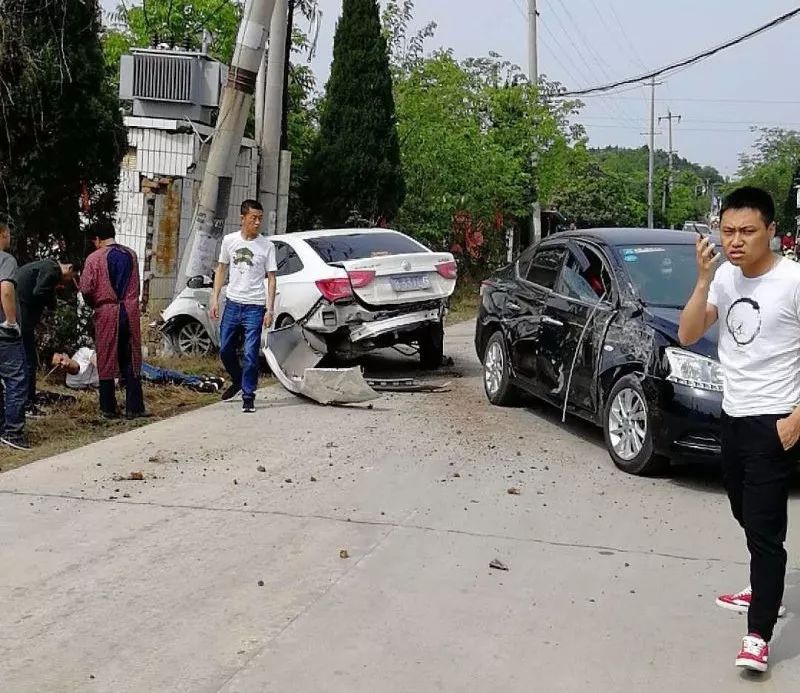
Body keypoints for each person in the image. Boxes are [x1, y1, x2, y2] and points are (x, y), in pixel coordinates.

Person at [678, 186, 798, 674]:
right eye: (727, 231)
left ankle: (758, 633)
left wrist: (798, 416)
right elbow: (688, 334)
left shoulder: (793, 281)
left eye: (748, 231)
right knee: (741, 505)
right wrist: (704, 280)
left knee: (767, 533)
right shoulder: (724, 279)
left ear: (772, 230)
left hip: (776, 421)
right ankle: (762, 579)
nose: (736, 240)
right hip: (733, 416)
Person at [209, 199, 277, 413]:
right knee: (225, 349)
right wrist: (214, 297)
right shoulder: (230, 241)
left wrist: (270, 308)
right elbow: (221, 269)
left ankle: (249, 395)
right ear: (242, 218)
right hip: (232, 303)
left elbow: (272, 278)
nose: (257, 223)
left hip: (255, 306)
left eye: (260, 219)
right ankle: (238, 380)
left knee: (250, 353)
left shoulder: (267, 246)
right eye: (253, 218)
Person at [79, 220, 147, 420]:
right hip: (130, 310)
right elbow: (137, 286)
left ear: (97, 239)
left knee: (106, 357)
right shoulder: (131, 254)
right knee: (131, 358)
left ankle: (108, 408)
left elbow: (86, 288)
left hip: (107, 311)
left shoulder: (94, 258)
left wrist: (94, 304)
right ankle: (135, 407)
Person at [16, 258, 76, 415]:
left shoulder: (47, 265)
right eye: (73, 277)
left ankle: (26, 400)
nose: (69, 282)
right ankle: (27, 404)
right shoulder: (53, 270)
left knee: (25, 360)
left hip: (19, 314)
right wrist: (52, 303)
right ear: (69, 267)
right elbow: (39, 291)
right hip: (22, 318)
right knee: (29, 362)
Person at [50, 348, 224, 393]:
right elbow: (90, 388)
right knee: (161, 383)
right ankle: (199, 383)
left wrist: (112, 377)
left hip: (122, 368)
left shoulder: (81, 353)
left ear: (65, 355)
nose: (63, 364)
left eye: (61, 360)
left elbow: (101, 364)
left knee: (158, 375)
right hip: (121, 384)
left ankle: (199, 381)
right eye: (59, 365)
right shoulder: (70, 382)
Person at [0, 222, 30, 450]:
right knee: (17, 379)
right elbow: (7, 289)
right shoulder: (6, 259)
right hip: (3, 333)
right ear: (3, 234)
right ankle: (13, 433)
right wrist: (11, 322)